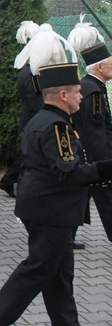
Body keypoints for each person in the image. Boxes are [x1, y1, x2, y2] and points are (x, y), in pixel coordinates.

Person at [0, 62, 112, 326]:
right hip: (50, 212)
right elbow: (70, 172)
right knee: (38, 269)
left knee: (59, 274)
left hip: (50, 209)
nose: (81, 96)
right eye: (77, 92)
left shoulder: (44, 119)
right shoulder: (56, 126)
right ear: (63, 95)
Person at [68, 18, 112, 246]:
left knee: (80, 197)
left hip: (86, 154)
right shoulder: (94, 91)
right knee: (106, 200)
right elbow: (95, 129)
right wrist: (103, 161)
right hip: (94, 155)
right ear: (100, 67)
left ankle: (68, 236)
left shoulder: (88, 85)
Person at [0, 21, 41, 198]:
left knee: (28, 155)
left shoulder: (29, 71)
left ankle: (8, 180)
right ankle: (9, 181)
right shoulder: (31, 74)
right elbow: (35, 101)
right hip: (32, 119)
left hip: (31, 118)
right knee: (29, 155)